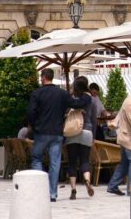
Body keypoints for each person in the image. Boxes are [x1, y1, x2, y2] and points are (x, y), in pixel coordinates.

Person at [27, 68, 90, 202]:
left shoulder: (36, 94)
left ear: (43, 78)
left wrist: (35, 126)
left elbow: (31, 113)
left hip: (41, 132)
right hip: (57, 133)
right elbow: (76, 104)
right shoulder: (62, 93)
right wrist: (87, 95)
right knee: (55, 162)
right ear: (51, 77)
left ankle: (41, 189)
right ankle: (53, 194)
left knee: (37, 159)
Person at [65, 76, 99, 200]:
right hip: (87, 131)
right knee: (85, 160)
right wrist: (93, 135)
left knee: (72, 161)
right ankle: (87, 181)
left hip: (72, 130)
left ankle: (73, 189)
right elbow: (94, 119)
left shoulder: (71, 99)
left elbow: (65, 113)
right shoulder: (93, 100)